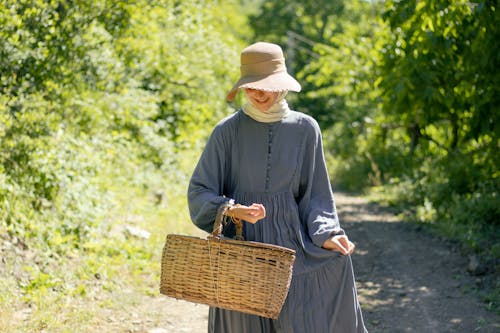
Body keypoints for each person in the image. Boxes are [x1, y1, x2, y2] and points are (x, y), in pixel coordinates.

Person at [188, 41, 367, 333]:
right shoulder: (226, 132)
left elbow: (317, 194)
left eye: (267, 86)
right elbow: (199, 191)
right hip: (242, 248)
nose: (259, 94)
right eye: (252, 86)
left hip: (291, 245)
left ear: (283, 85)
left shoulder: (306, 129)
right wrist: (231, 210)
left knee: (308, 306)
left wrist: (327, 234)